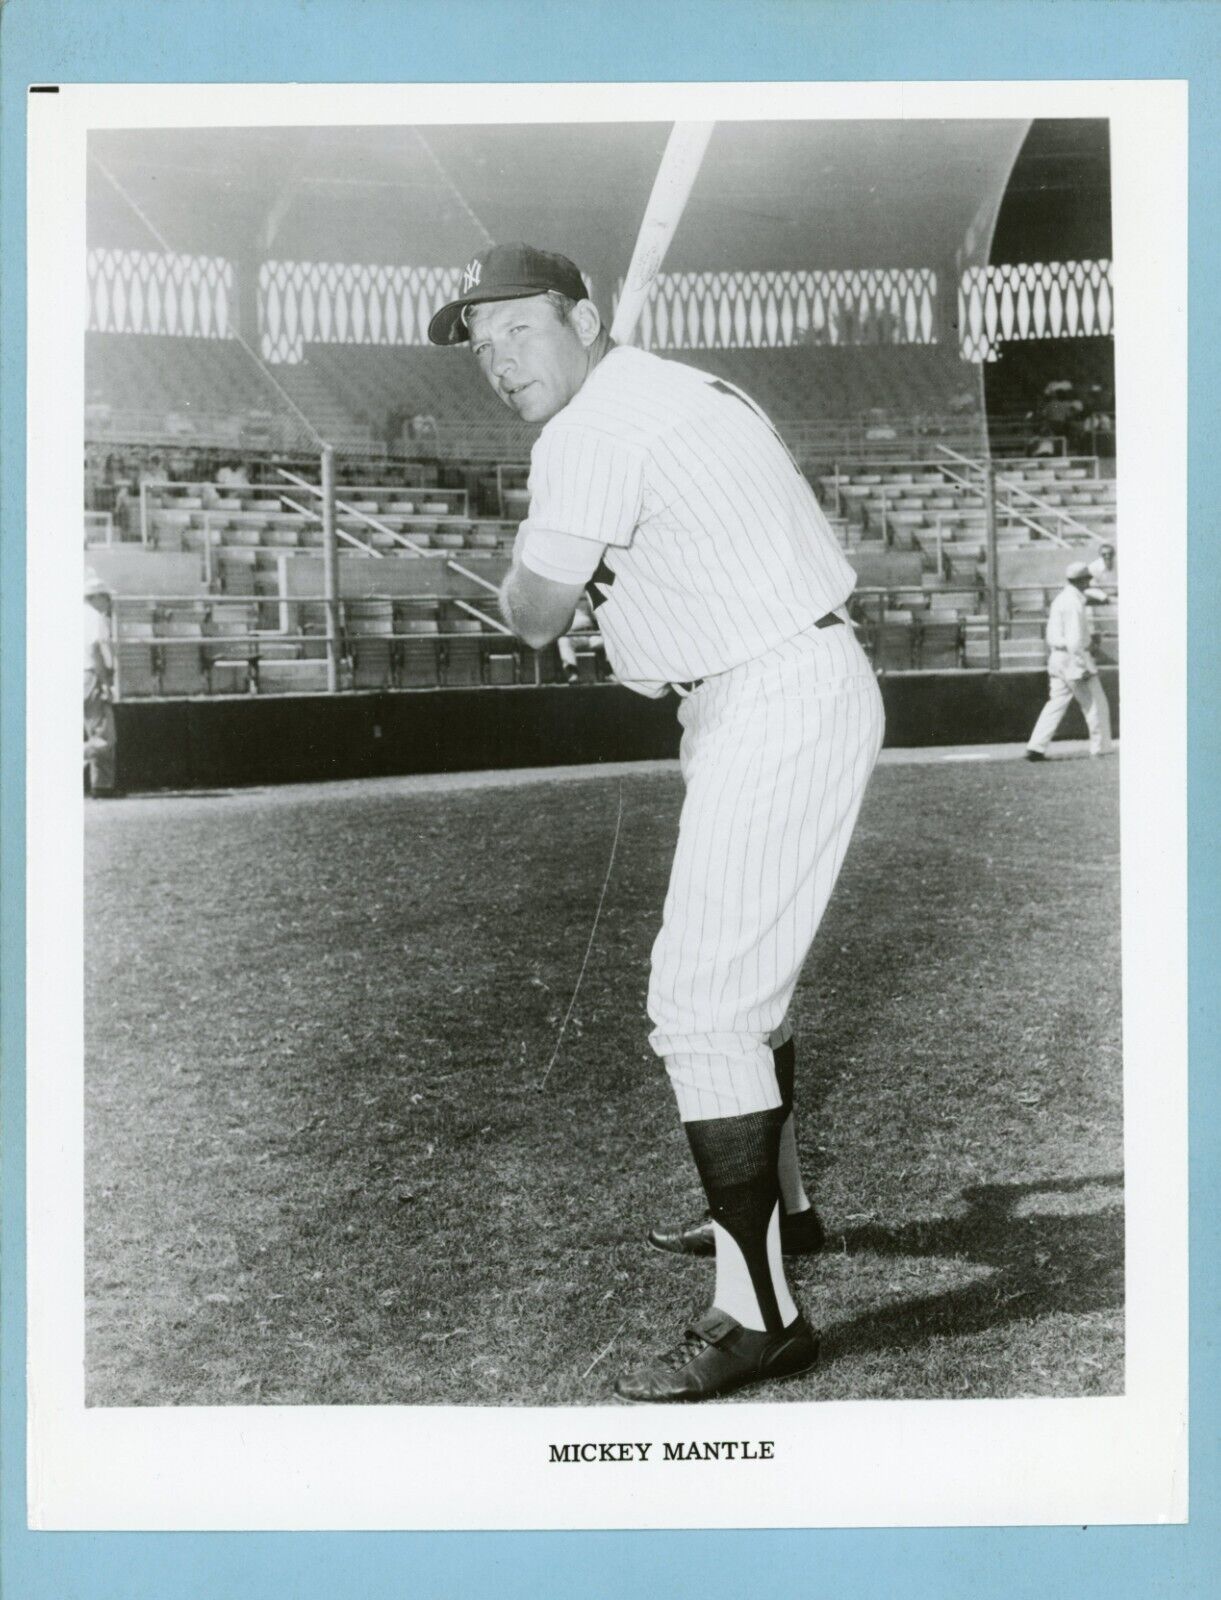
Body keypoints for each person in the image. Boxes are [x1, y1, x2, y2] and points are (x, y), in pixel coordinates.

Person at [429, 244, 885, 1402]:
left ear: (583, 317)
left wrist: (548, 575)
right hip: (776, 678)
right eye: (479, 342)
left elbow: (529, 619)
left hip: (769, 694)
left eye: (519, 329)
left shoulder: (587, 435)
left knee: (701, 1003)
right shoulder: (686, 387)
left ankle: (760, 1311)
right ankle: (784, 1211)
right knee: (742, 987)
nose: (497, 358)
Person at [1025, 561, 1114, 762]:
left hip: (1057, 657)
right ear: (1082, 580)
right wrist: (1082, 664)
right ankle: (1101, 748)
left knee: (1056, 703)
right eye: (1087, 579)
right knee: (1095, 703)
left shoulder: (1062, 599)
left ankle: (1036, 746)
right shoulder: (1073, 603)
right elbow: (1074, 640)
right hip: (1072, 657)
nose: (1089, 582)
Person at [83, 572, 119, 797]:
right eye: (105, 596)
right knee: (103, 736)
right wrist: (105, 682)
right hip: (90, 676)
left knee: (97, 732)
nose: (107, 601)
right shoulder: (94, 618)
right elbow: (95, 651)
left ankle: (102, 786)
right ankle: (102, 786)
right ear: (95, 597)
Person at [555, 594, 602, 683]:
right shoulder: (561, 599)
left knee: (607, 640)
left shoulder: (586, 596)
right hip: (573, 635)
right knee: (563, 640)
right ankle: (573, 673)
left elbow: (597, 616)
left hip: (590, 633)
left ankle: (609, 672)